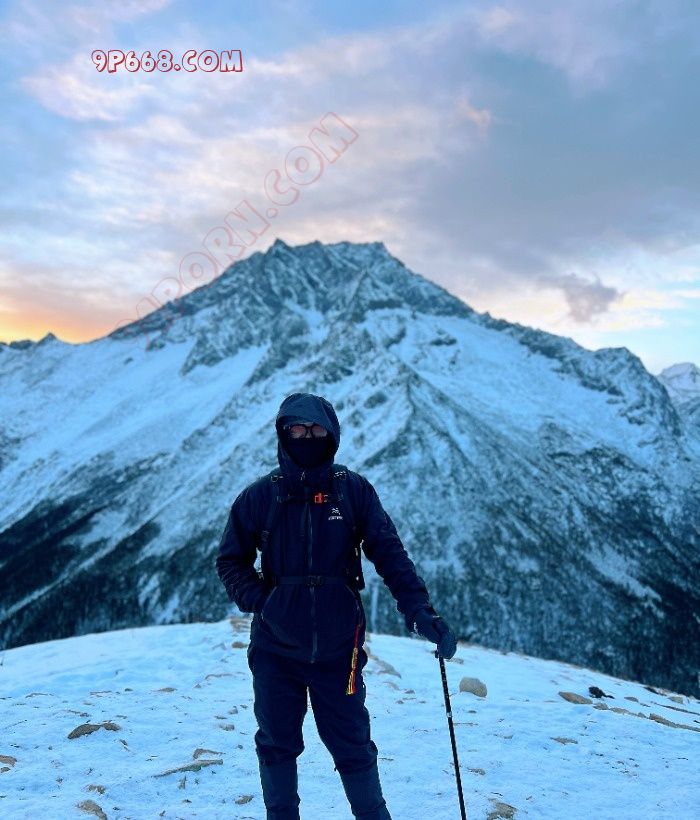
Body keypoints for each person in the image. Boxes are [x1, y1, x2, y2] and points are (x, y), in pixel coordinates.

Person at [216, 392, 457, 820]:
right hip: (274, 648)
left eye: (316, 430)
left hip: (339, 649)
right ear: (283, 434)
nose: (307, 438)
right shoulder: (260, 497)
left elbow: (390, 554)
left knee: (352, 743)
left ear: (332, 434)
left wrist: (420, 611)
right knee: (276, 744)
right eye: (297, 430)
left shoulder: (352, 491)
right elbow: (230, 561)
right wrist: (263, 601)